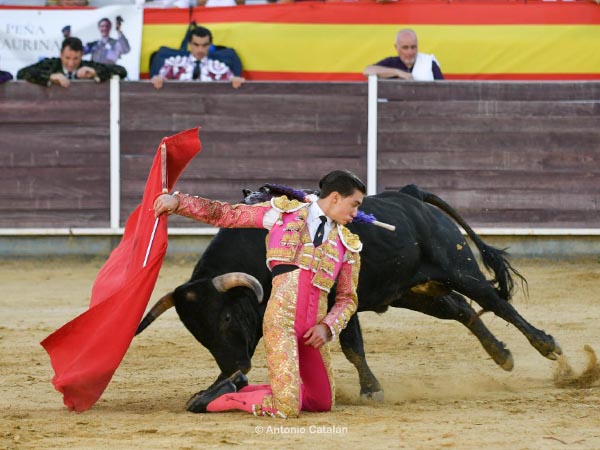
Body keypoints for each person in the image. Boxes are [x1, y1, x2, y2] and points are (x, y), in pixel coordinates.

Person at [153, 170, 365, 418]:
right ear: (336, 197)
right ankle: (219, 400)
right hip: (281, 324)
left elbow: (347, 299)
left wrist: (327, 327)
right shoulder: (282, 214)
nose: (356, 213)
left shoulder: (348, 243)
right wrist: (179, 203)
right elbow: (227, 215)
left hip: (312, 333)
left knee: (321, 403)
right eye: (354, 205)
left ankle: (240, 387)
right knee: (286, 408)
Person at [151, 26, 244, 90]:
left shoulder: (219, 67)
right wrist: (159, 79)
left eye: (204, 45)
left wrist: (235, 80)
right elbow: (161, 76)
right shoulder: (174, 63)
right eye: (196, 45)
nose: (200, 49)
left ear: (210, 45)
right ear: (190, 44)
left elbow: (232, 79)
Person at [17, 37, 127, 88]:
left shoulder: (87, 66)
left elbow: (122, 71)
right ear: (60, 55)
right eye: (67, 58)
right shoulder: (52, 64)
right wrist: (50, 76)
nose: (71, 63)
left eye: (76, 59)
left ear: (82, 55)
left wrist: (95, 72)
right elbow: (21, 73)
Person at [363, 28, 444, 81]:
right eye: (405, 48)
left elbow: (443, 90)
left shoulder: (428, 63)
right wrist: (397, 72)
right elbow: (367, 71)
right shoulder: (391, 63)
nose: (410, 52)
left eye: (413, 47)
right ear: (396, 47)